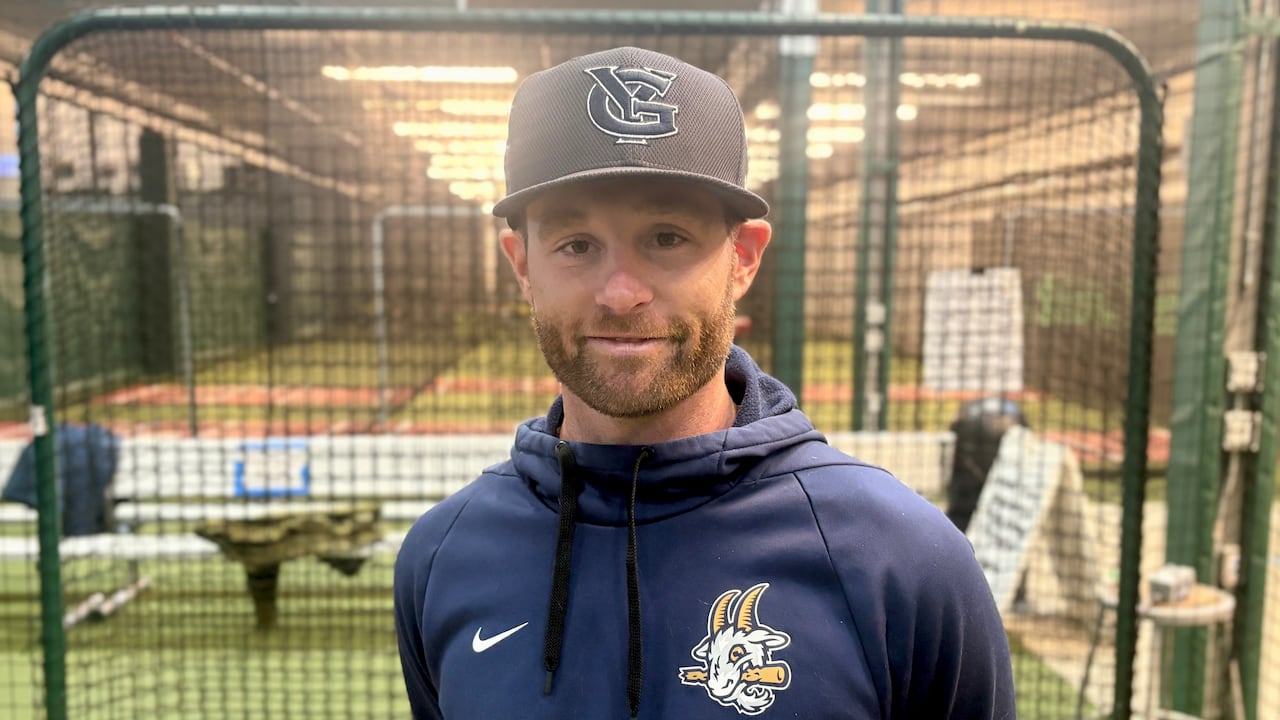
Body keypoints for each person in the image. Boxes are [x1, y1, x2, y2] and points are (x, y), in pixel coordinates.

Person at [394, 46, 1016, 719]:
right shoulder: (442, 557)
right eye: (576, 244)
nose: (621, 293)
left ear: (743, 258)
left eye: (667, 238)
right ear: (522, 265)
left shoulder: (903, 558)